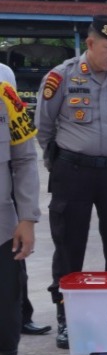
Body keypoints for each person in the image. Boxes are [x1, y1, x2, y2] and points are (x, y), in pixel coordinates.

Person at [36, 15, 107, 349]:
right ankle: (68, 319)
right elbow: (44, 127)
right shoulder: (61, 77)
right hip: (73, 172)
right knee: (69, 245)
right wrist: (63, 159)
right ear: (91, 43)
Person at [0, 58, 47, 338]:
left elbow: (24, 154)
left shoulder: (4, 79)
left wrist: (27, 214)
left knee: (13, 264)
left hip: (6, 187)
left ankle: (20, 317)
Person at [1, 77, 40, 355]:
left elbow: (25, 159)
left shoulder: (6, 97)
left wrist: (27, 217)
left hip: (2, 227)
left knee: (7, 303)